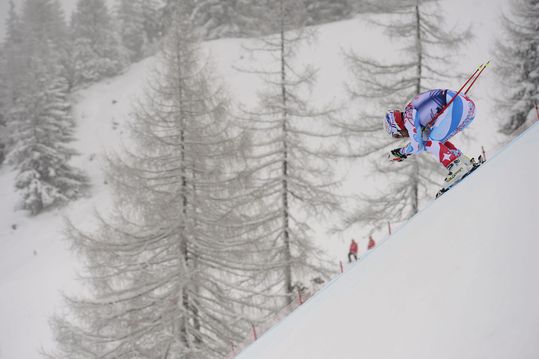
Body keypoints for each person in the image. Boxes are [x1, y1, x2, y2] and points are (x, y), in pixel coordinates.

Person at [384, 89, 476, 185]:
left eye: (398, 135)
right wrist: (402, 152)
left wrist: (402, 152)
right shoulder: (414, 114)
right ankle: (465, 163)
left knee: (431, 142)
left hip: (457, 105)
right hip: (467, 106)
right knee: (436, 141)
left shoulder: (408, 118)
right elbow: (423, 142)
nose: (403, 136)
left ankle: (456, 167)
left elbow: (418, 146)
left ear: (398, 126)